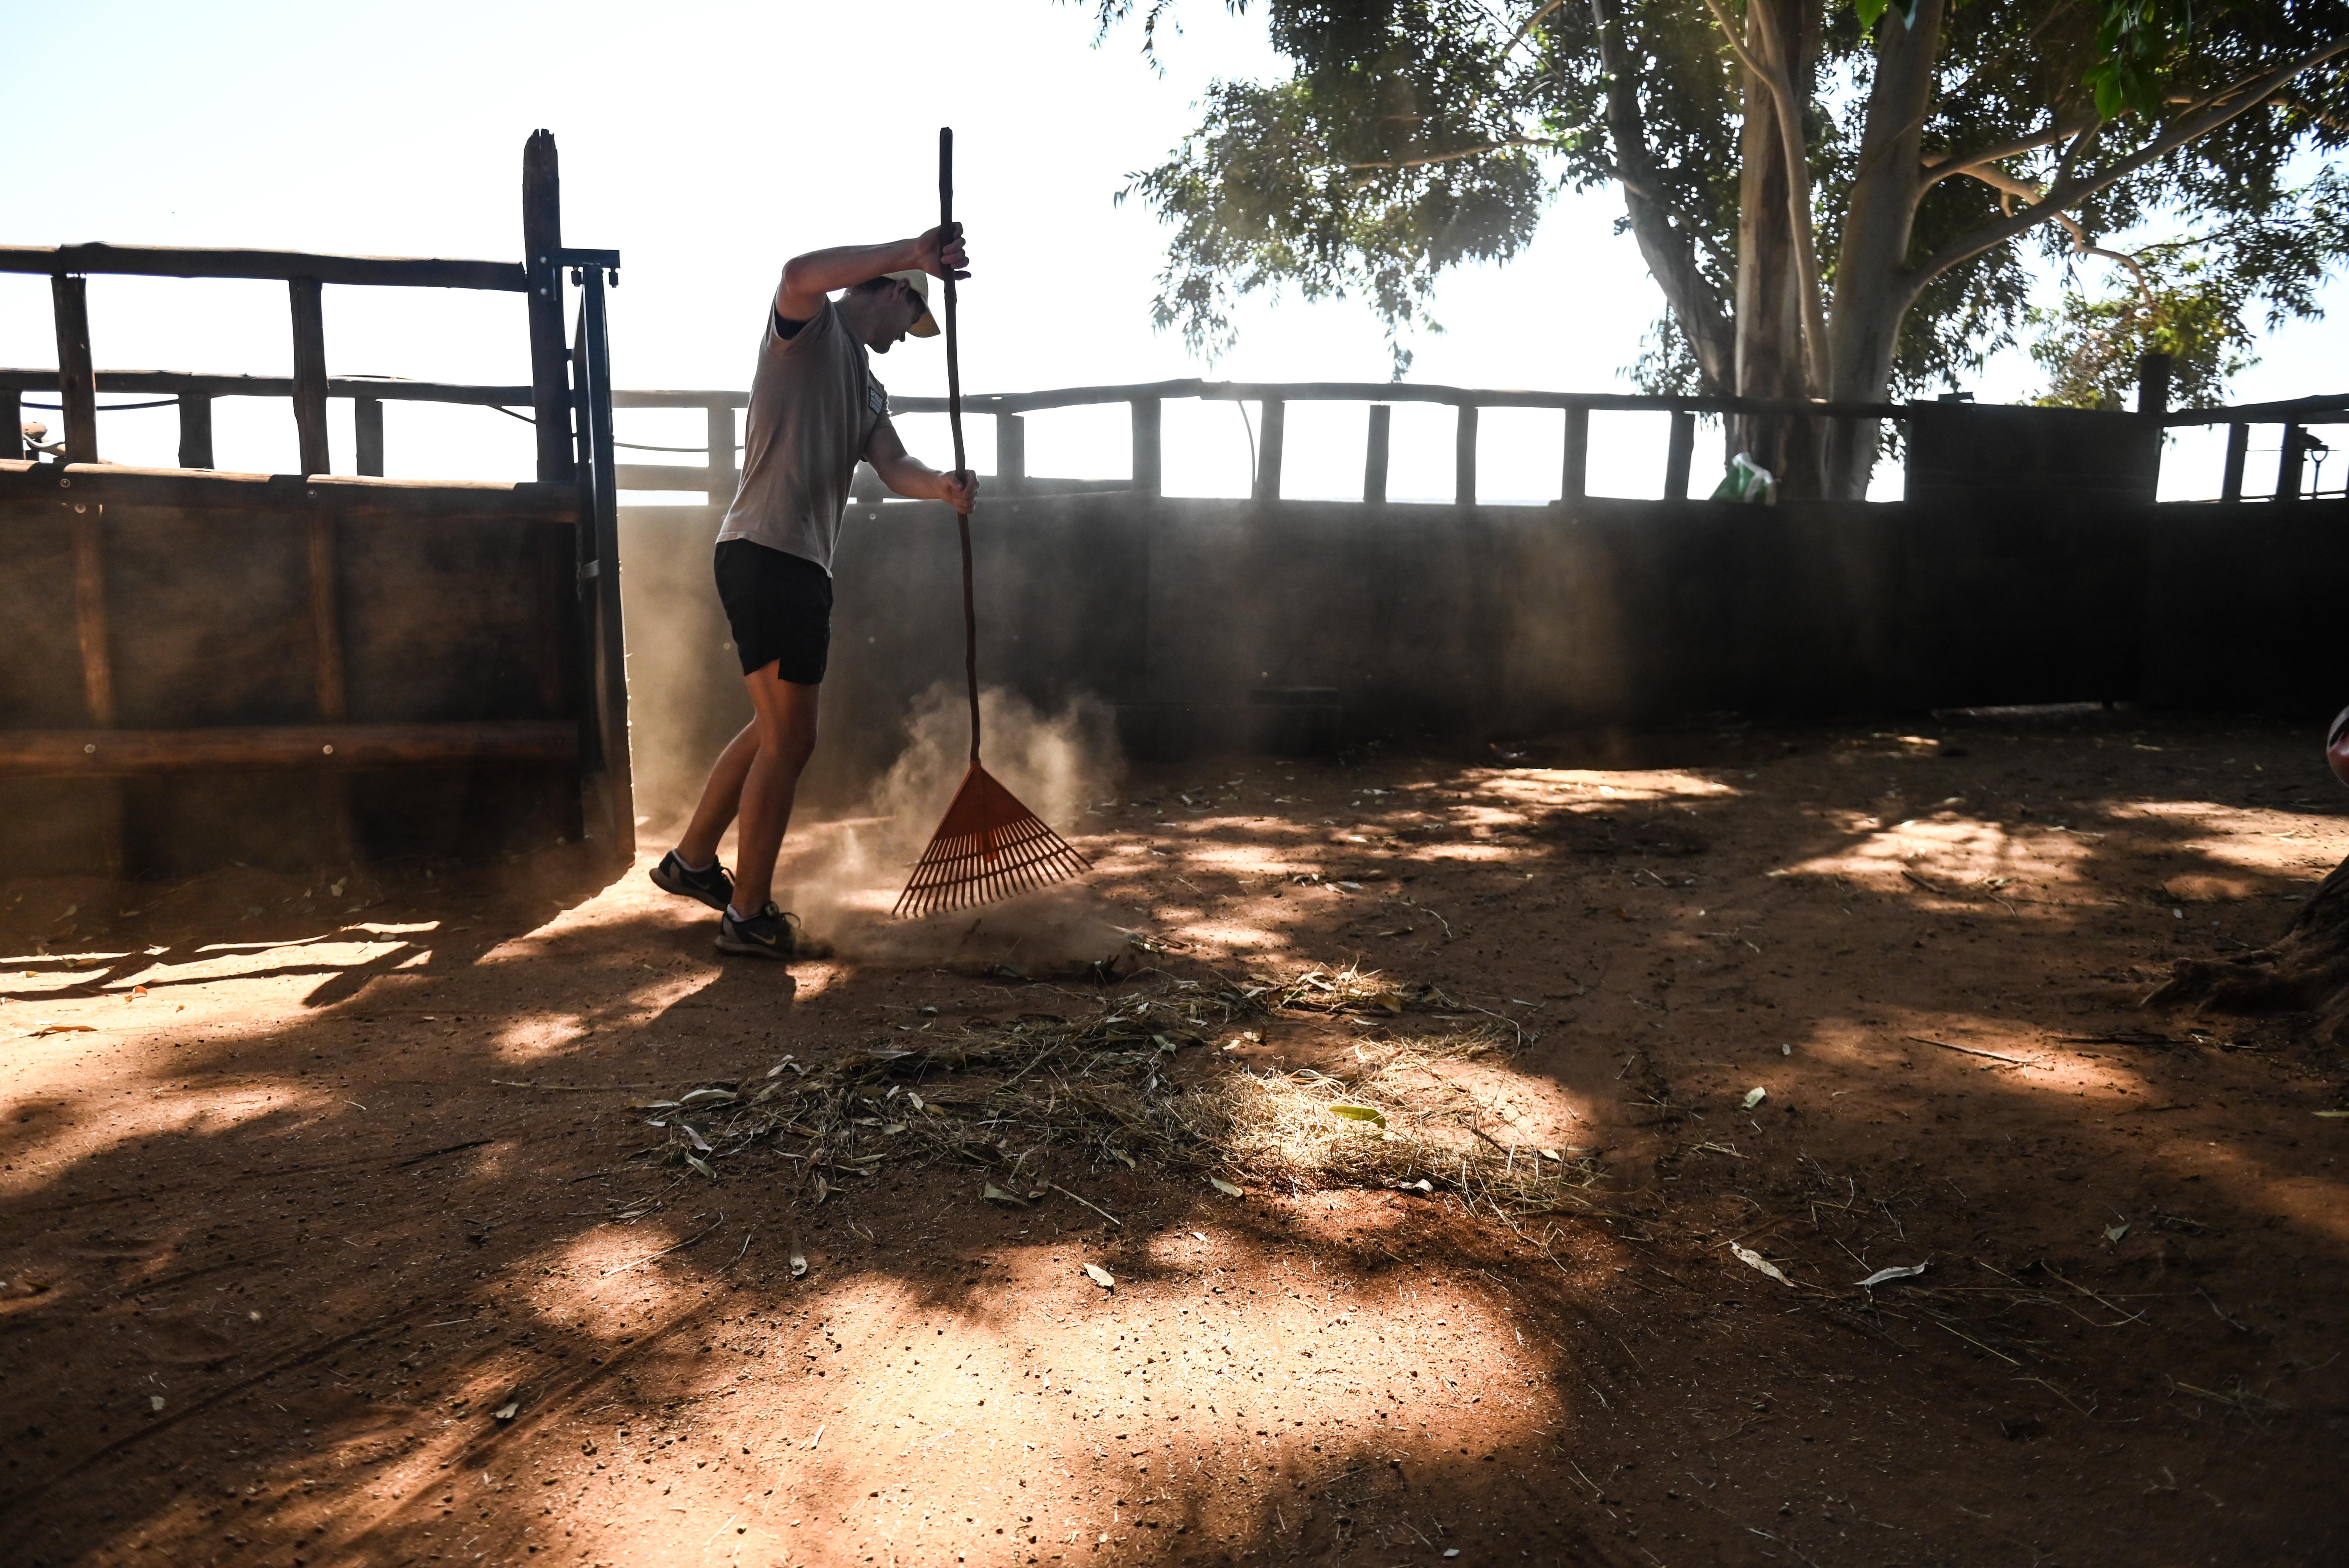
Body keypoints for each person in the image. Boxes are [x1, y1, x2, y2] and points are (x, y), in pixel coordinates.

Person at [649, 224, 978, 959]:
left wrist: (944, 489)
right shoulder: (810, 329)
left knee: (775, 728)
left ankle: (693, 861)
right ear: (895, 293)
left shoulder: (867, 384)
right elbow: (798, 270)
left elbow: (894, 466)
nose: (905, 337)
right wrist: (912, 251)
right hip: (769, 552)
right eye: (909, 318)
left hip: (791, 562)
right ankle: (747, 916)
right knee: (793, 738)